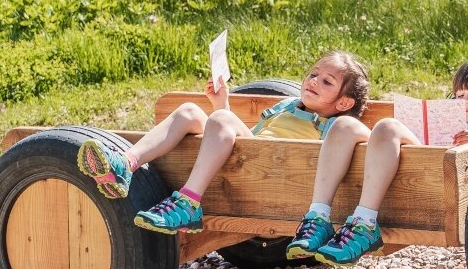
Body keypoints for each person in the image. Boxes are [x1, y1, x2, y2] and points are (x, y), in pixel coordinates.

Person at [76, 51, 372, 233]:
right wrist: (221, 103)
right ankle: (126, 163)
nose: (313, 81)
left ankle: (188, 202)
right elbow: (242, 142)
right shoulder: (287, 106)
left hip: (284, 179)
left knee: (219, 119)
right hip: (251, 161)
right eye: (314, 74)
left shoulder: (337, 127)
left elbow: (361, 142)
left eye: (327, 82)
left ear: (344, 103)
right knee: (191, 111)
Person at [291, 53, 468, 264]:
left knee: (388, 126)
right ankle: (318, 216)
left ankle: (365, 223)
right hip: (411, 168)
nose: (465, 102)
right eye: (460, 96)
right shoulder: (447, 116)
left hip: (437, 183)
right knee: (343, 125)